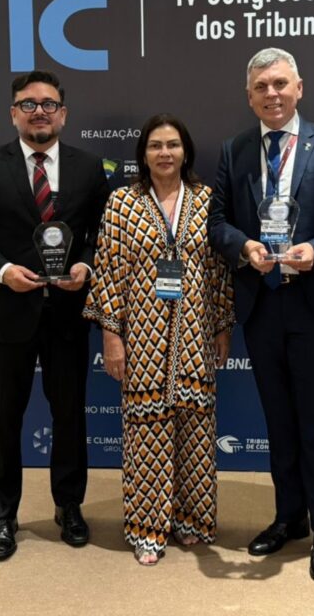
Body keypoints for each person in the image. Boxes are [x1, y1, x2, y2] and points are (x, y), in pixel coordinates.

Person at [208, 47, 314, 582]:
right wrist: (244, 247)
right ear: (249, 96)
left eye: (280, 84)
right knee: (278, 420)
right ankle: (289, 517)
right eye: (261, 87)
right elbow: (217, 222)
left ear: (299, 88)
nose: (272, 94)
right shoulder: (234, 150)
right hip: (261, 302)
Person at [0, 69, 110, 561]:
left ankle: (69, 506)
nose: (39, 111)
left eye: (48, 104)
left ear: (63, 113)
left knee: (70, 416)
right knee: (3, 421)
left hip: (67, 313)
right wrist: (3, 272)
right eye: (28, 104)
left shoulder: (88, 167)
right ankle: (4, 516)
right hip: (7, 312)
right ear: (13, 113)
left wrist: (85, 266)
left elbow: (101, 233)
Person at [84, 113, 234, 565]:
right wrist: (112, 336)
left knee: (197, 430)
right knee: (146, 432)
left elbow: (220, 270)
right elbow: (108, 271)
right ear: (143, 154)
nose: (164, 153)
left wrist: (223, 325)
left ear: (185, 151)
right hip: (142, 335)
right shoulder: (122, 203)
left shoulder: (208, 200)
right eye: (155, 146)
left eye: (172, 145)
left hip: (195, 332)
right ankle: (147, 527)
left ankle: (192, 518)